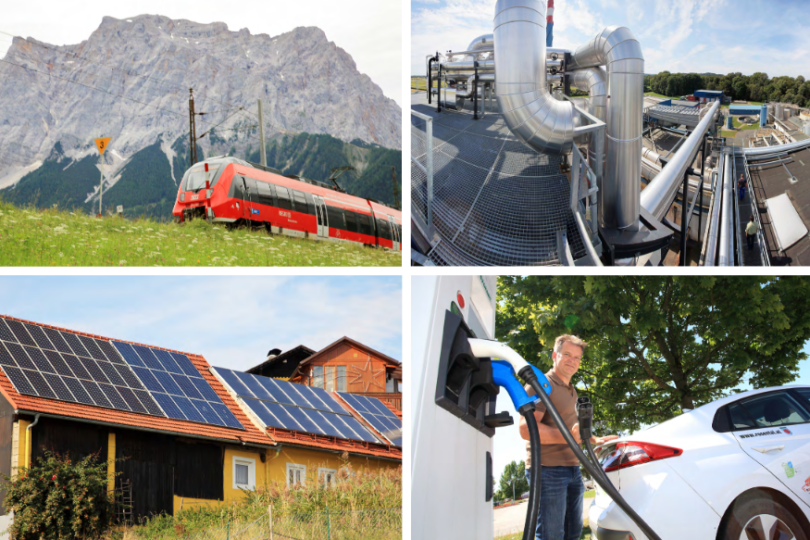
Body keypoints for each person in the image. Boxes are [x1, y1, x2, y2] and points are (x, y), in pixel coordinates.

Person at [518, 335, 618, 540]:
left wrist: (595, 439)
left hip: (573, 469)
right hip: (547, 470)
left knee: (573, 533)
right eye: (567, 355)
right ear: (555, 356)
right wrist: (567, 438)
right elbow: (526, 429)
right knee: (551, 535)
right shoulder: (540, 384)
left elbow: (571, 428)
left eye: (577, 357)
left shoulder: (571, 390)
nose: (573, 360)